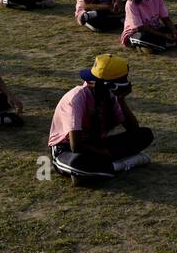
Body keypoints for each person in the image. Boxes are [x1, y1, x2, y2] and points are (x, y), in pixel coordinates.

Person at [48, 54, 153, 182]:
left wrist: (121, 100)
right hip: (68, 149)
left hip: (96, 144)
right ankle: (118, 165)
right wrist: (102, 152)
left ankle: (100, 168)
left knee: (144, 134)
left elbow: (133, 129)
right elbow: (76, 145)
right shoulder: (77, 98)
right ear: (108, 85)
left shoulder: (108, 96)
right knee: (78, 164)